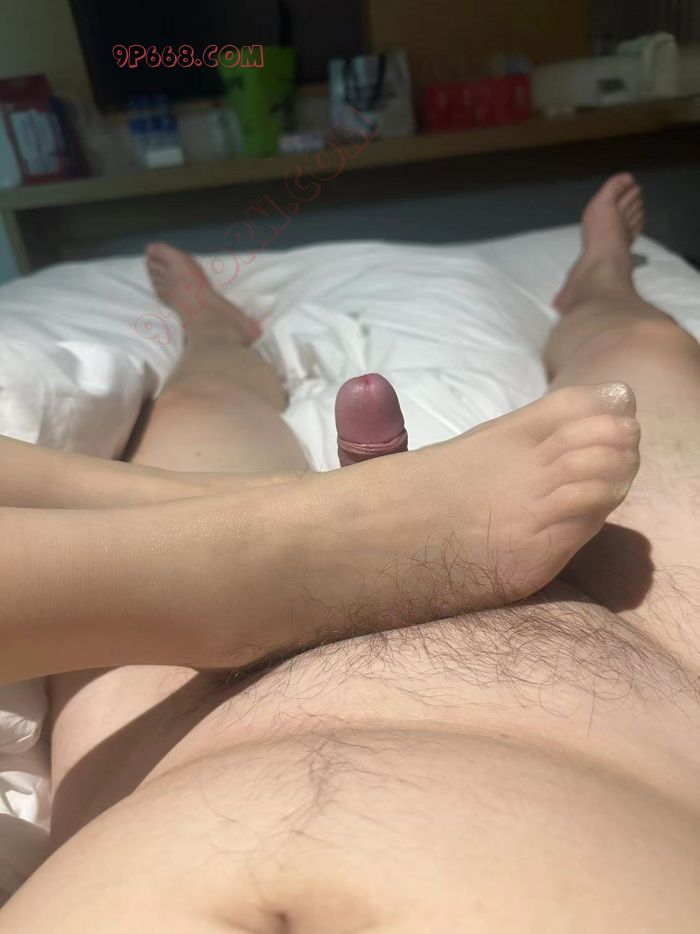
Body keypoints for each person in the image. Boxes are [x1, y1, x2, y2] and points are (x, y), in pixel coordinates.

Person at [1, 174, 699, 931]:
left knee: (204, 406)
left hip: (161, 755)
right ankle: (217, 360)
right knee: (646, 355)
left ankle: (600, 279)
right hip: (628, 730)